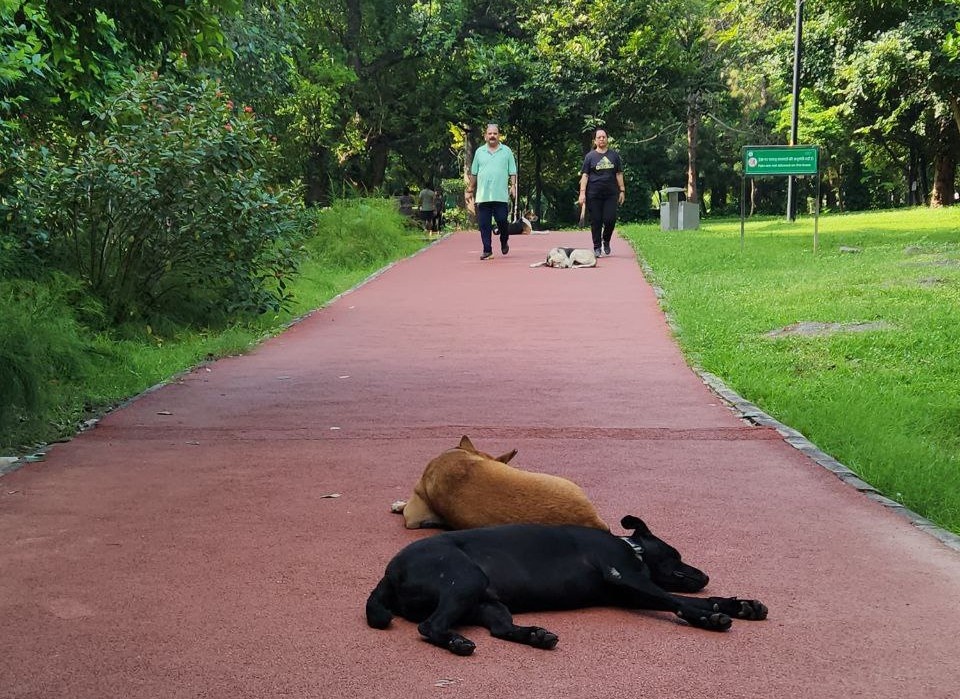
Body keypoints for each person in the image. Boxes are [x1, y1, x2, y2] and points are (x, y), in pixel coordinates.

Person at [466, 123, 518, 260]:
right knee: (484, 224)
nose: (492, 136)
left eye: (495, 133)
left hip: (500, 195)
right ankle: (487, 250)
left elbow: (512, 171)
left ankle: (503, 239)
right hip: (483, 196)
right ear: (485, 136)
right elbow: (474, 173)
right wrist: (470, 189)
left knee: (502, 221)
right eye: (490, 134)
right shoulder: (479, 152)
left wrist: (513, 186)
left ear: (499, 135)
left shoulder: (506, 151)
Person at [577, 129, 625, 257]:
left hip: (611, 194)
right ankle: (597, 247)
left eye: (604, 137)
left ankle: (606, 240)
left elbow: (619, 173)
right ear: (595, 140)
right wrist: (582, 193)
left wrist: (622, 190)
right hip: (593, 194)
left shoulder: (614, 156)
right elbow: (585, 175)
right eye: (599, 137)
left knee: (610, 219)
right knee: (596, 221)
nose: (602, 139)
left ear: (607, 139)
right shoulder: (590, 157)